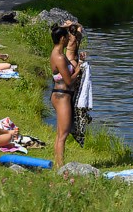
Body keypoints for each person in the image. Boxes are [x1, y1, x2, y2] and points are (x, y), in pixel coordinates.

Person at [51, 24, 82, 167]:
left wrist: (80, 62)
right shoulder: (59, 57)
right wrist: (79, 71)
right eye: (67, 37)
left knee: (60, 133)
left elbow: (70, 71)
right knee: (63, 135)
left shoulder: (60, 54)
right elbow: (69, 81)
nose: (69, 39)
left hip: (63, 95)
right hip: (62, 96)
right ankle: (60, 166)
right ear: (62, 38)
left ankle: (58, 164)